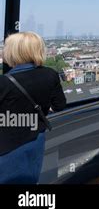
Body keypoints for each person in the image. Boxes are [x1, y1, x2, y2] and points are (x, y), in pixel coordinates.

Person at [0, 32, 66, 184]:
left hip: (5, 148)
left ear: (12, 52)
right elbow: (59, 105)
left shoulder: (3, 83)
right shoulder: (50, 75)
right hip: (35, 141)